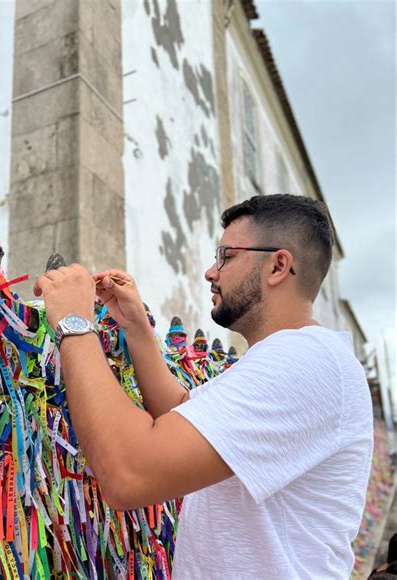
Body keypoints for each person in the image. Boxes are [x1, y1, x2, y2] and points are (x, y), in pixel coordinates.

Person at [35, 194, 373, 579]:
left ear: (278, 266)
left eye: (226, 256)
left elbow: (129, 472)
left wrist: (74, 323)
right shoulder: (286, 359)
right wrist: (136, 329)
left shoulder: (306, 361)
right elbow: (180, 410)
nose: (211, 272)